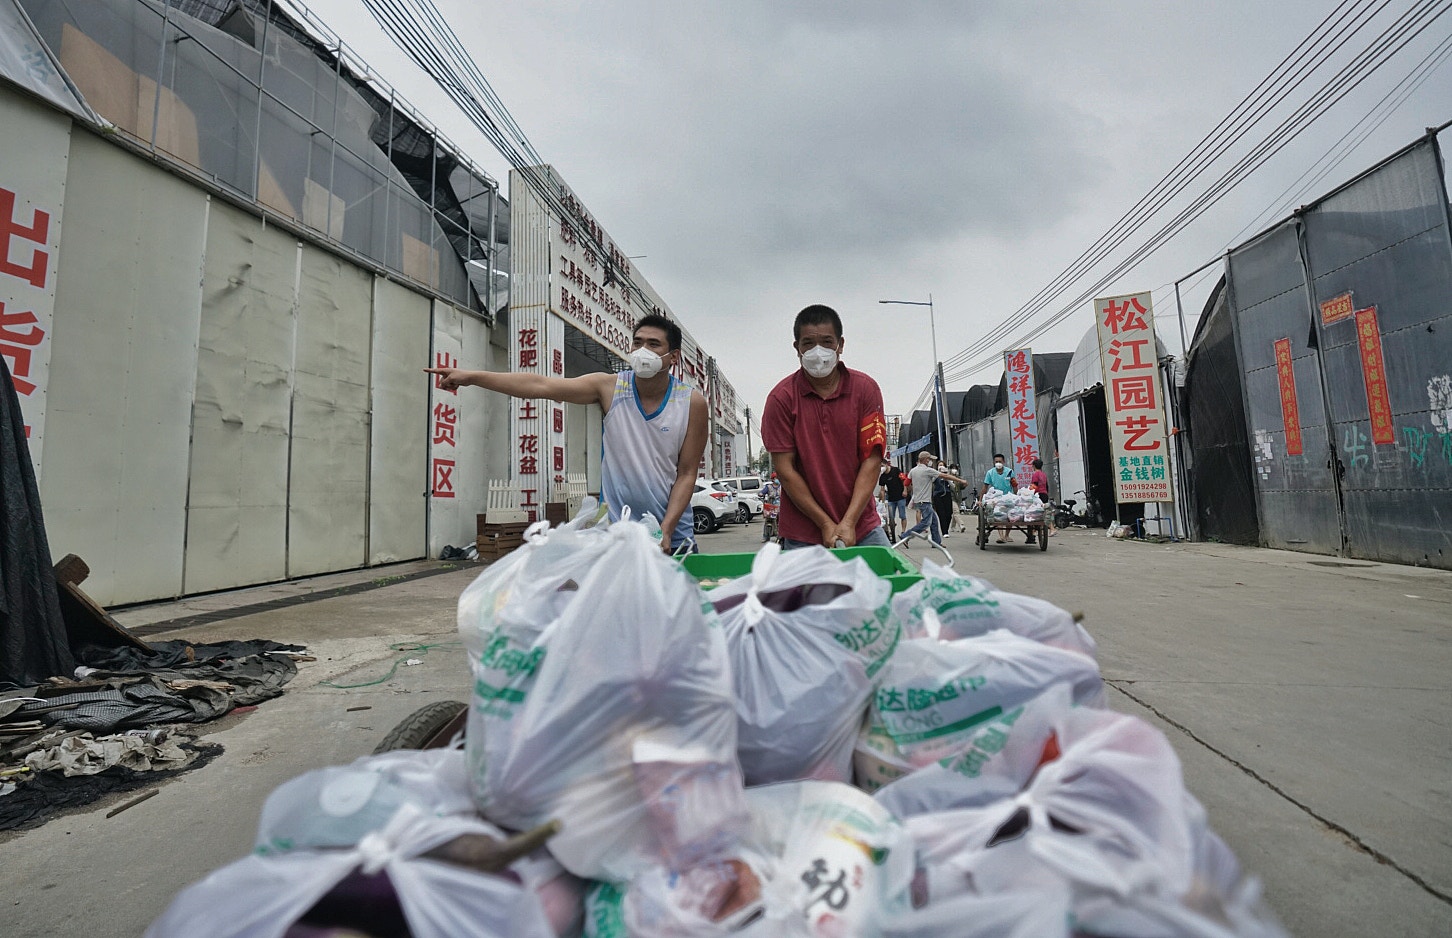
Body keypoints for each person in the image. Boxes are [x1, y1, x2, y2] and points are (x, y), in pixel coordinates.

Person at [425, 313, 707, 553]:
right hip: (617, 532)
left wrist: (665, 529)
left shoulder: (690, 402)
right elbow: (540, 385)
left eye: (653, 344)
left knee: (678, 613)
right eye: (637, 342)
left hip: (672, 534)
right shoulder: (609, 388)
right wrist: (472, 377)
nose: (642, 350)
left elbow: (686, 473)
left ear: (673, 357)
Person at [761, 304, 889, 549]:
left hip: (863, 528)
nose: (818, 351)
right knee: (805, 590)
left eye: (827, 342)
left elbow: (872, 460)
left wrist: (849, 522)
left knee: (891, 584)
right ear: (797, 348)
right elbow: (785, 470)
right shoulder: (781, 399)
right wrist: (825, 524)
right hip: (803, 535)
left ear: (840, 345)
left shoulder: (865, 389)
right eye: (808, 343)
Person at [897, 451, 969, 549]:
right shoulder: (927, 470)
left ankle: (936, 542)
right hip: (924, 500)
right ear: (925, 460)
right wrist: (960, 480)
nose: (930, 461)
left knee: (934, 521)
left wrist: (907, 490)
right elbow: (945, 476)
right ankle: (906, 536)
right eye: (929, 459)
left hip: (919, 499)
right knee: (925, 523)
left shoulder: (913, 471)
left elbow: (906, 482)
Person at [981, 452, 1017, 544]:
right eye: (996, 461)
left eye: (1000, 461)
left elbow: (1014, 485)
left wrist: (1017, 496)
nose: (998, 463)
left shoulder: (1009, 472)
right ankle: (1001, 536)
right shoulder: (990, 473)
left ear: (1003, 462)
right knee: (998, 515)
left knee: (1010, 515)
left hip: (1008, 497)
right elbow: (985, 486)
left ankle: (1007, 535)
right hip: (996, 498)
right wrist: (980, 500)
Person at [876, 459, 908, 542]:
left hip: (900, 496)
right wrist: (882, 501)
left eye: (882, 465)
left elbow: (904, 480)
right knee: (891, 517)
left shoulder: (896, 470)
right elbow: (882, 490)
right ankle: (892, 531)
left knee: (902, 515)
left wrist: (905, 490)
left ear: (886, 464)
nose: (881, 468)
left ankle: (903, 532)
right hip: (891, 498)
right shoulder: (882, 477)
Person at [1028, 456, 1055, 540]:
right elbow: (1047, 486)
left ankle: (1052, 529)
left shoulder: (1036, 474)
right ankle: (1044, 529)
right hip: (1044, 494)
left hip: (1038, 494)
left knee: (1036, 512)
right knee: (1044, 512)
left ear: (1034, 466)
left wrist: (1029, 492)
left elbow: (1035, 485)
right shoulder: (1043, 474)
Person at [931, 459, 957, 538]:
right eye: (939, 465)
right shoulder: (935, 474)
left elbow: (953, 486)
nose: (941, 467)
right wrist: (937, 474)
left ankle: (946, 528)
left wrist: (947, 479)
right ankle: (944, 531)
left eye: (942, 465)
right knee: (941, 513)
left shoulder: (948, 475)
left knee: (949, 513)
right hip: (938, 495)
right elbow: (932, 481)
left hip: (947, 494)